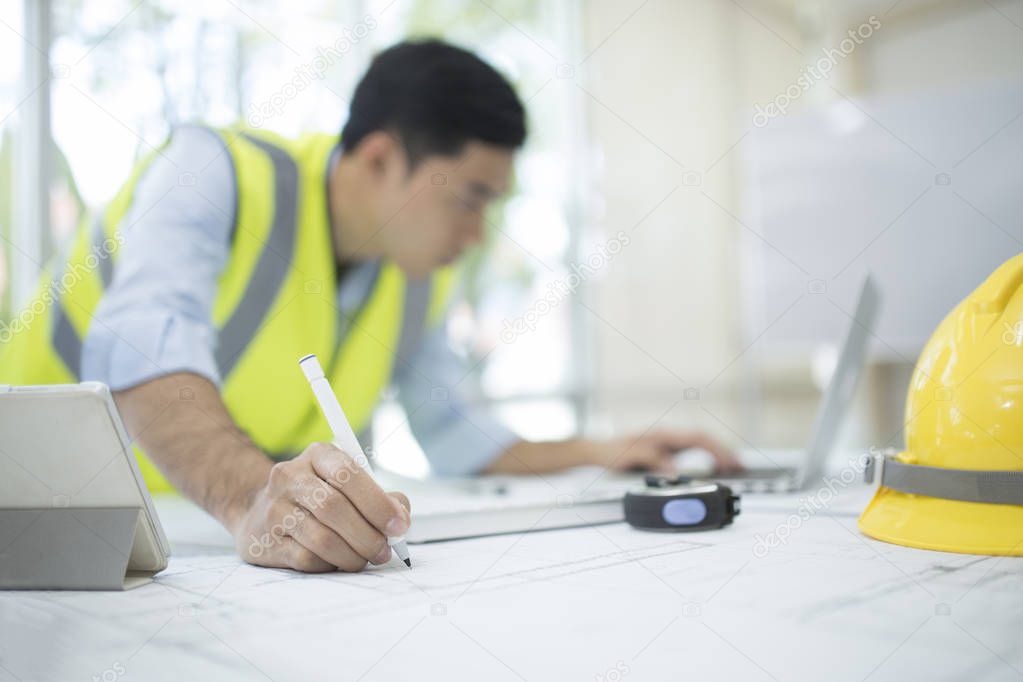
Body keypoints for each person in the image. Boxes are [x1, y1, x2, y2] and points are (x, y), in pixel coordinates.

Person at [0, 40, 738, 573]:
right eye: (472, 196)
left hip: (181, 547)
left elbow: (455, 434)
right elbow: (141, 355)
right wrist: (255, 499)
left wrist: (606, 453)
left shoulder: (412, 276)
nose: (479, 232)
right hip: (35, 512)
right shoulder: (215, 170)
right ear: (383, 158)